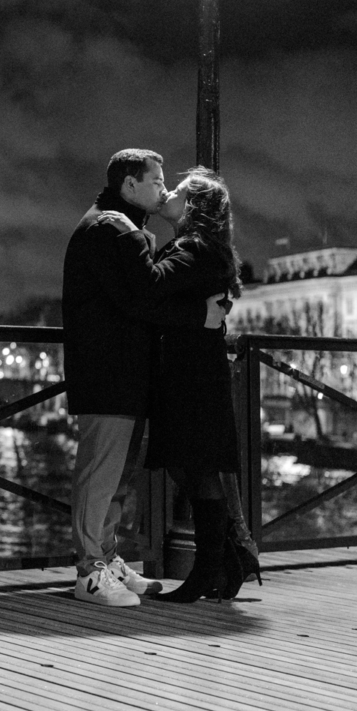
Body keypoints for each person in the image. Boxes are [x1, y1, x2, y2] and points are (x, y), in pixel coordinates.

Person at [62, 149, 228, 607]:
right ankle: (90, 572)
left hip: (121, 371)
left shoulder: (119, 227)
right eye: (155, 181)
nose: (162, 188)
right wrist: (200, 314)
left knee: (115, 477)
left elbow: (139, 296)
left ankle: (105, 557)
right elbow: (142, 297)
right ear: (129, 185)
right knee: (102, 475)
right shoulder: (113, 229)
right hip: (109, 371)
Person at [101, 166, 257, 602]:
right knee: (187, 465)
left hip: (192, 375)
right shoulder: (200, 247)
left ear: (193, 209)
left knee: (196, 469)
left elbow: (149, 290)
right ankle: (226, 561)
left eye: (180, 190)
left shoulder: (195, 249)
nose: (169, 190)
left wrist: (131, 240)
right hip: (193, 372)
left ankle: (206, 572)